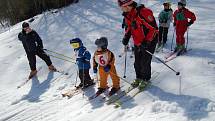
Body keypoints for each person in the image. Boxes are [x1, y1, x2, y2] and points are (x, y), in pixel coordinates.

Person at [118, 0, 158, 90]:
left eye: (121, 7)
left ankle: (145, 79)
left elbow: (154, 29)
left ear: (127, 5)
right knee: (137, 62)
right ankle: (139, 77)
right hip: (138, 41)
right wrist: (126, 37)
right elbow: (129, 27)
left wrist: (147, 42)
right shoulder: (127, 14)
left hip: (149, 41)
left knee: (145, 62)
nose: (121, 9)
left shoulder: (143, 12)